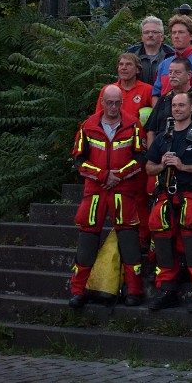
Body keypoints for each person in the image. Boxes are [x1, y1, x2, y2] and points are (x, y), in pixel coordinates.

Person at [68, 85, 147, 308]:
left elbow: (140, 158)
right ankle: (77, 291)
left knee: (130, 240)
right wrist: (103, 176)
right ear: (102, 101)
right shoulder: (88, 126)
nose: (113, 107)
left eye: (117, 103)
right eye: (109, 102)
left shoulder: (133, 124)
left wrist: (118, 176)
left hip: (124, 190)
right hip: (95, 191)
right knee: (87, 240)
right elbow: (78, 161)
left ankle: (134, 290)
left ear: (122, 102)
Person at [144, 91, 192, 312]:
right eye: (174, 106)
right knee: (163, 245)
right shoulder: (162, 137)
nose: (177, 109)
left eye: (181, 106)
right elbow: (148, 168)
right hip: (166, 196)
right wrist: (163, 166)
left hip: (191, 196)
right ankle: (167, 289)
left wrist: (183, 166)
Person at [146, 57, 192, 143]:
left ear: (189, 75)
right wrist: (152, 155)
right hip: (161, 150)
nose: (172, 76)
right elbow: (151, 131)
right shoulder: (164, 99)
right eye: (170, 72)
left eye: (177, 73)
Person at [152, 15, 192, 98]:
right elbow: (155, 94)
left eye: (181, 32)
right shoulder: (164, 64)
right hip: (163, 109)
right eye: (174, 33)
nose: (176, 36)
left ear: (191, 36)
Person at [95, 53, 154, 126]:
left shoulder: (147, 89)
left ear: (137, 70)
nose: (124, 67)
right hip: (113, 133)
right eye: (121, 64)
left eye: (128, 64)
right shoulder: (108, 90)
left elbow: (156, 117)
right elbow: (98, 117)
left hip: (137, 134)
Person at [127, 16, 173, 86]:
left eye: (154, 32)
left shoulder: (171, 54)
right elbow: (123, 80)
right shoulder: (132, 54)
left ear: (162, 37)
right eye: (146, 32)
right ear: (142, 37)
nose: (150, 35)